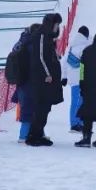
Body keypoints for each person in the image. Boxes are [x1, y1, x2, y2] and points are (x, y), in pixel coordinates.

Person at [25, 13, 64, 146]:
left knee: (45, 108)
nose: (57, 27)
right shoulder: (41, 36)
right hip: (42, 80)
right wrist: (48, 74)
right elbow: (40, 57)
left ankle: (39, 134)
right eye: (56, 25)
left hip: (49, 81)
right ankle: (32, 136)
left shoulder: (49, 38)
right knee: (41, 108)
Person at [12, 24, 39, 142]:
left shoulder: (21, 43)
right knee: (31, 108)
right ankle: (24, 135)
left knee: (27, 107)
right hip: (30, 80)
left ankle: (32, 133)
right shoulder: (33, 45)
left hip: (21, 80)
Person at [64, 26, 93, 133]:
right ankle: (76, 123)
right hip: (81, 76)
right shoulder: (84, 46)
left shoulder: (71, 45)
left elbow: (64, 61)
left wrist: (64, 76)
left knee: (77, 100)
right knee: (79, 101)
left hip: (73, 77)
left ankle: (76, 123)